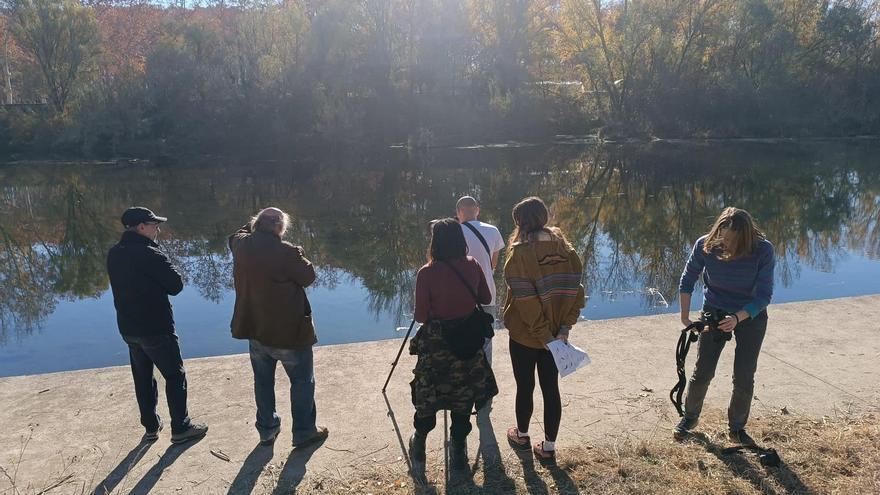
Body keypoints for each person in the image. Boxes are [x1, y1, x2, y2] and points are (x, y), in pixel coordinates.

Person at [107, 207, 208, 444]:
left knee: (142, 376)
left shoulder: (115, 253)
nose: (158, 228)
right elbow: (175, 285)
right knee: (175, 375)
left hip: (128, 328)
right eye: (154, 224)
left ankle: (151, 426)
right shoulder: (150, 253)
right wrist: (160, 256)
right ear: (141, 227)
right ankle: (181, 428)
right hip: (156, 327)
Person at [229, 207, 329, 448]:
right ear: (279, 228)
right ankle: (304, 431)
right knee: (302, 382)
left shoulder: (241, 246)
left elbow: (235, 235)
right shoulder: (287, 253)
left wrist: (255, 225)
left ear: (256, 225)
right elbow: (308, 277)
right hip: (289, 333)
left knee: (263, 382)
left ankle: (267, 430)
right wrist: (300, 254)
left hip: (256, 330)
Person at [674, 207, 775, 445]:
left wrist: (738, 318)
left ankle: (736, 428)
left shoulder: (763, 250)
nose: (726, 243)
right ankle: (689, 418)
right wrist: (686, 317)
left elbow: (763, 297)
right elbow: (687, 280)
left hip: (751, 315)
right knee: (703, 372)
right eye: (723, 237)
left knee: (743, 375)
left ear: (746, 238)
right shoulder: (706, 245)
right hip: (715, 311)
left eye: (732, 240)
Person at [408, 218, 498, 474]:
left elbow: (422, 317)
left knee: (429, 394)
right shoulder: (473, 265)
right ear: (460, 239)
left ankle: (420, 446)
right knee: (464, 394)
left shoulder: (426, 273)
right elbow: (486, 298)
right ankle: (458, 450)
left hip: (438, 346)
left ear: (435, 242)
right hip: (468, 340)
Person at [502, 197, 584, 461]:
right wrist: (563, 330)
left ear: (519, 222)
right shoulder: (568, 251)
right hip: (556, 338)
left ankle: (522, 435)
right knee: (551, 390)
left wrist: (545, 337)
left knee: (524, 386)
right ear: (545, 217)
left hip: (526, 337)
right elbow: (577, 294)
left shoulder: (520, 254)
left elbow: (526, 304)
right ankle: (548, 448)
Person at [455, 196, 504, 418]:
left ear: (459, 212)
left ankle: (463, 382)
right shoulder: (493, 230)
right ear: (478, 210)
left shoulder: (453, 231)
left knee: (461, 337)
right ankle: (484, 388)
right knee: (486, 341)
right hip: (487, 294)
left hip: (461, 295)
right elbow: (494, 263)